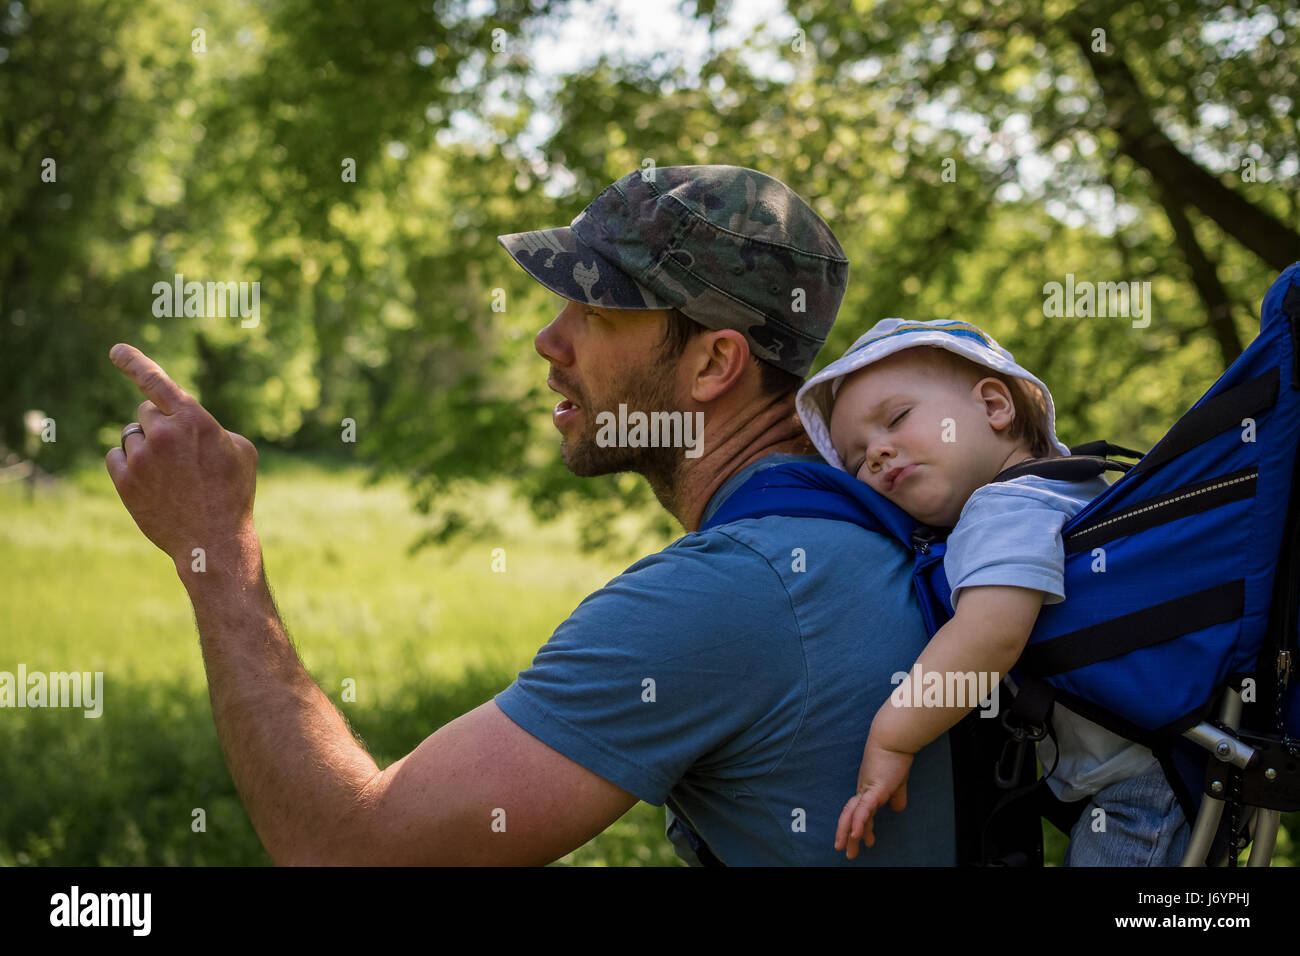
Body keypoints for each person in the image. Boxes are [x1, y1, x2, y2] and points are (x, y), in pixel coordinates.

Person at [105, 165, 956, 865]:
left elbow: (346, 850)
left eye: (595, 311)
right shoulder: (870, 529)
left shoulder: (736, 594)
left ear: (713, 365)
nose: (549, 342)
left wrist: (215, 545)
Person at [794, 318, 1191, 865]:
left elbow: (990, 634)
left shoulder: (1004, 506)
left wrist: (892, 736)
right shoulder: (1075, 485)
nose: (878, 454)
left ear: (994, 407)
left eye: (897, 418)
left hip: (1139, 790)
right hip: (1170, 764)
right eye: (859, 459)